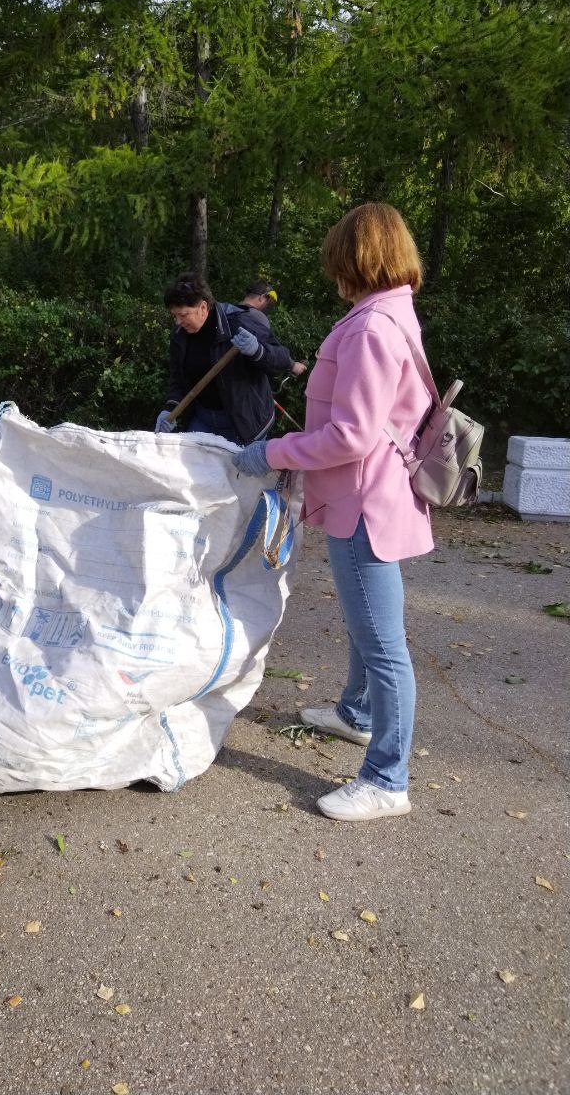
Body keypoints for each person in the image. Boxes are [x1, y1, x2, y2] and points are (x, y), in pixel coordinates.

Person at [233, 203, 433, 822]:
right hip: (367, 496)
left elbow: (351, 435)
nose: (331, 274)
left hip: (364, 503)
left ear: (356, 261)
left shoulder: (372, 326)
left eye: (336, 262)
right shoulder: (385, 312)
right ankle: (356, 713)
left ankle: (386, 778)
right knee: (363, 620)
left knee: (382, 642)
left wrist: (269, 450)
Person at [155, 273, 300, 443]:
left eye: (184, 315)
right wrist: (171, 408)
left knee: (240, 469)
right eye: (175, 316)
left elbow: (282, 358)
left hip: (243, 424)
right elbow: (178, 378)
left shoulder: (239, 322)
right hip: (202, 420)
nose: (178, 322)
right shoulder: (180, 336)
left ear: (203, 307)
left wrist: (258, 351)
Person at [238, 280, 308, 377]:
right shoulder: (257, 316)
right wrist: (292, 364)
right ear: (262, 298)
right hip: (246, 381)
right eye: (268, 301)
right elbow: (270, 353)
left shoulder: (229, 312)